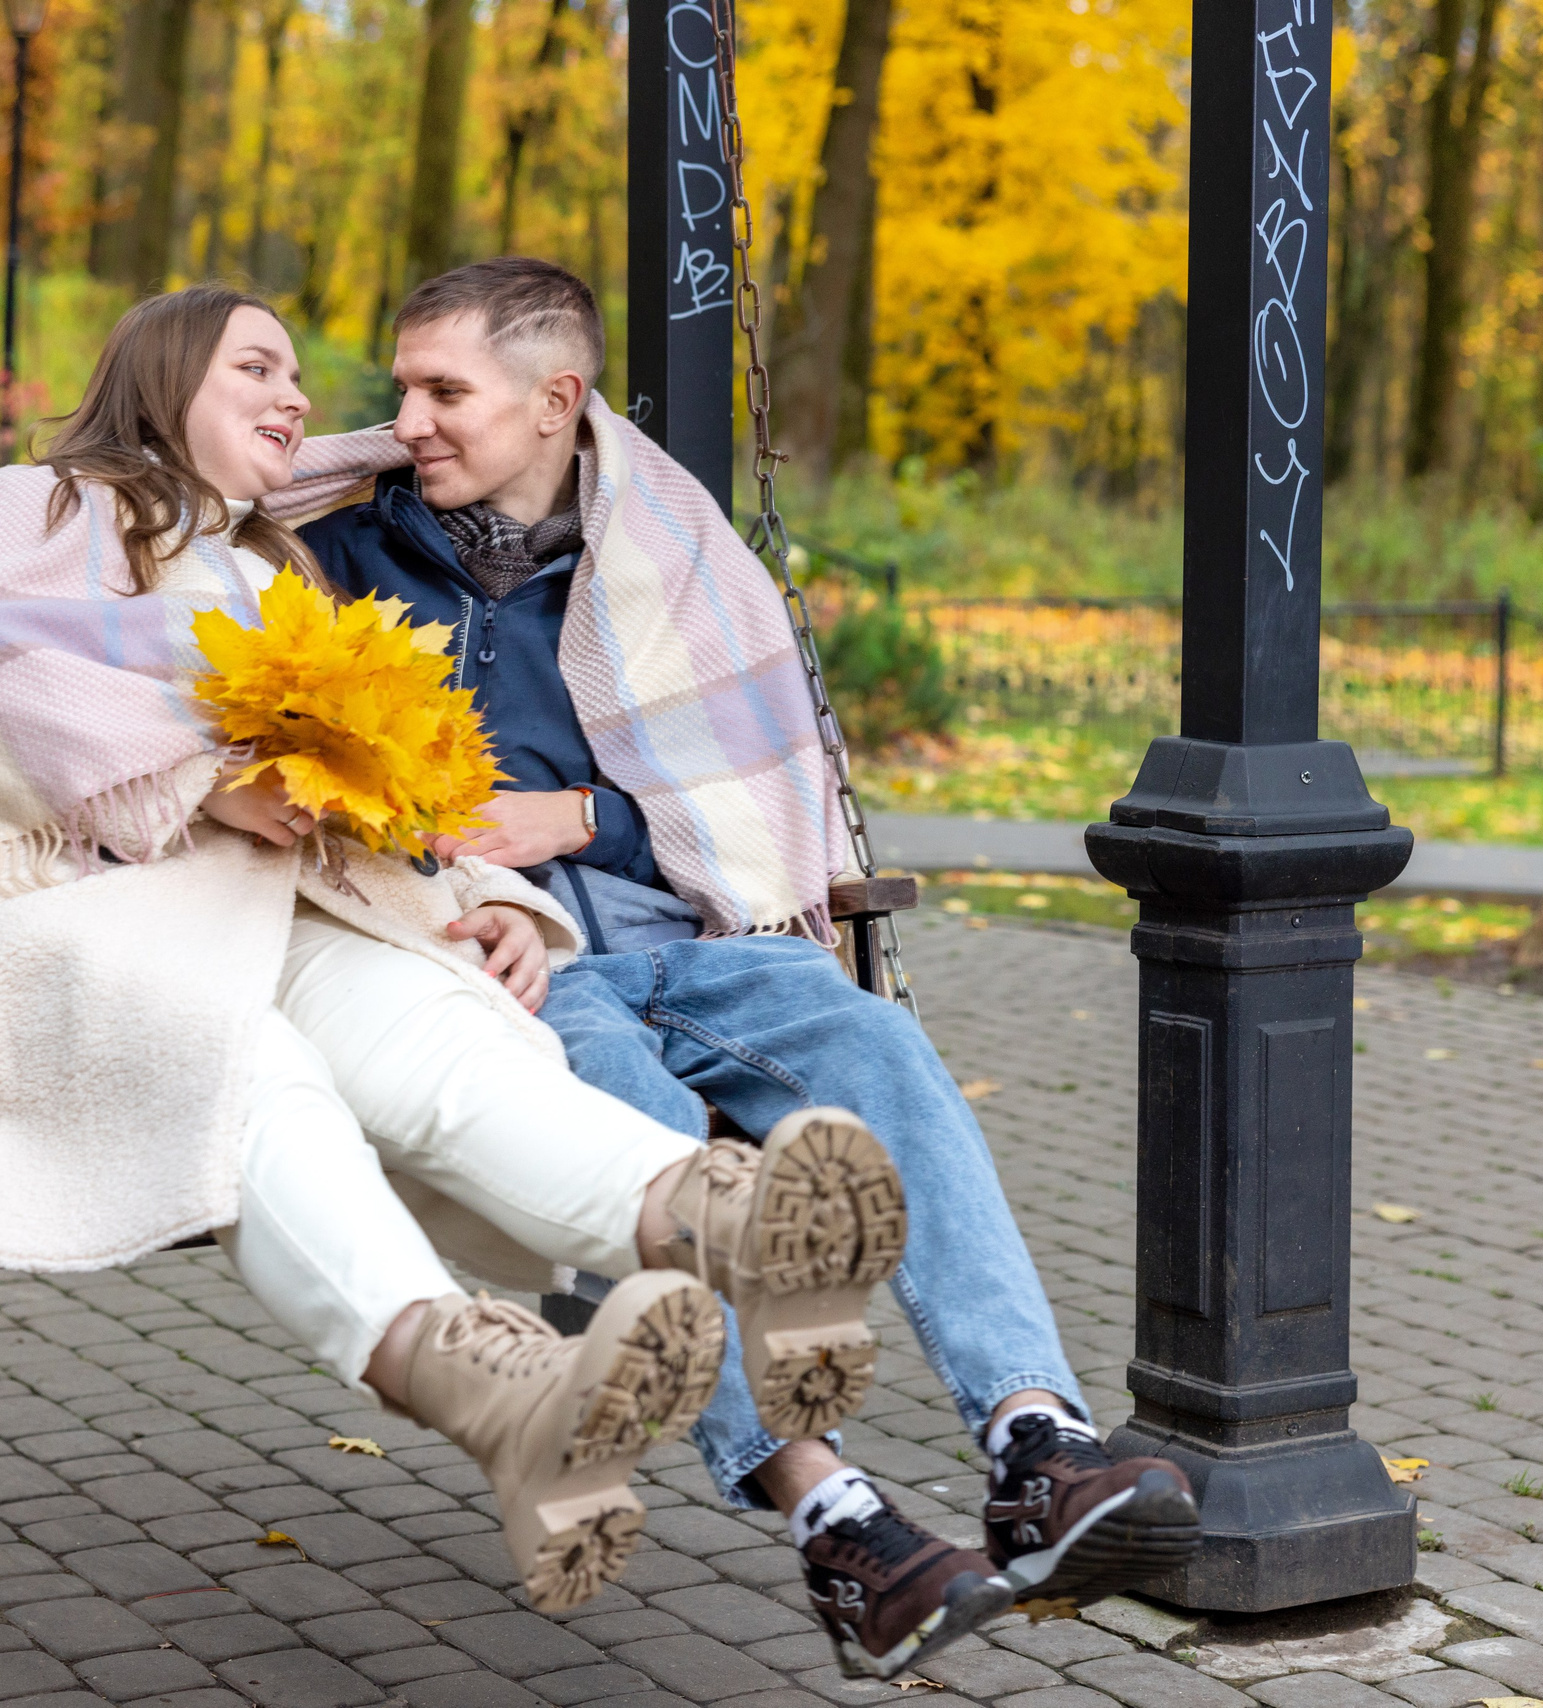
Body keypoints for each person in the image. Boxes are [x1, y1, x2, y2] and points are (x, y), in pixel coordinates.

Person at [0, 285, 932, 1621]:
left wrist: (515, 906)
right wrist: (188, 777)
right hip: (40, 925)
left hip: (256, 908)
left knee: (446, 1032)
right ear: (163, 377)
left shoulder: (280, 567)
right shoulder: (44, 505)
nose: (298, 399)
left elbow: (387, 775)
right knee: (245, 1058)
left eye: (299, 375)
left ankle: (740, 1228)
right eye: (257, 368)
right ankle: (493, 1380)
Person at [289, 259, 1204, 1672]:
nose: (406, 416)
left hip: (691, 943)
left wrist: (582, 814)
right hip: (506, 971)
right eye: (400, 386)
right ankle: (834, 1518)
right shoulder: (340, 563)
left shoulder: (666, 566)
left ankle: (1039, 1442)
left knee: (870, 1042)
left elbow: (732, 784)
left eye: (443, 389)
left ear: (554, 402)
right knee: (642, 1134)